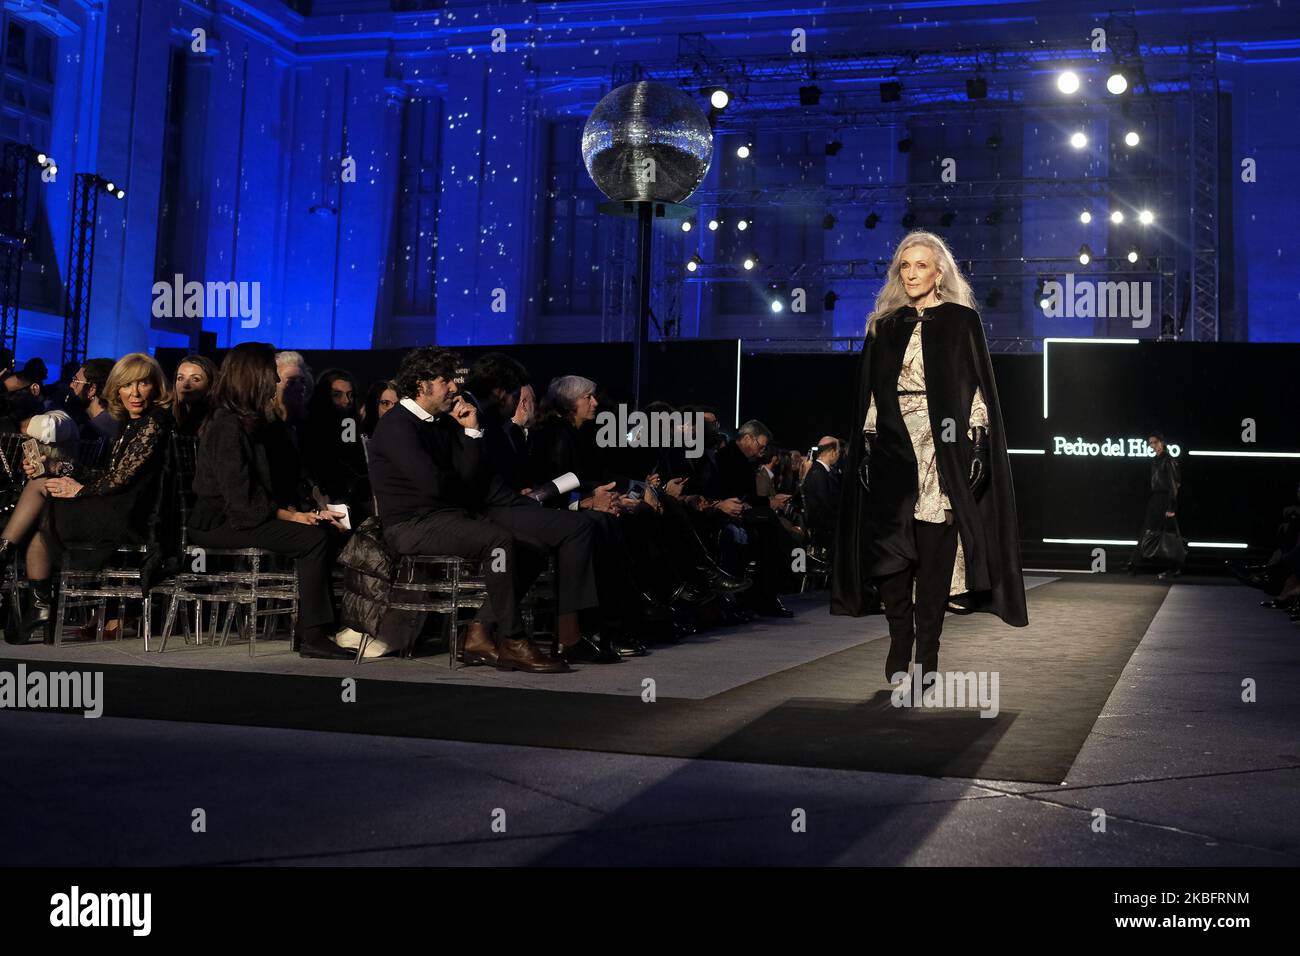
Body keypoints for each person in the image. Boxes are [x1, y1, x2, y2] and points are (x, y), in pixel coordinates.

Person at [832, 230, 1028, 684]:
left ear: (939, 272)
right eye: (905, 265)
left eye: (921, 265)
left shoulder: (961, 321)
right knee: (890, 555)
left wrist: (977, 441)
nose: (912, 273)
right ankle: (900, 636)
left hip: (943, 447)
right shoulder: (885, 324)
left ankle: (928, 651)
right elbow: (874, 393)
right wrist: (865, 443)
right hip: (893, 446)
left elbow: (976, 386)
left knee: (936, 555)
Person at [368, 346, 600, 672]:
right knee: (499, 540)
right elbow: (435, 485)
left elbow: (469, 475)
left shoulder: (444, 421)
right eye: (445, 380)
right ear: (421, 385)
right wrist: (462, 478)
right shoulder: (397, 425)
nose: (454, 387)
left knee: (532, 547)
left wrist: (471, 430)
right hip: (411, 525)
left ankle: (478, 632)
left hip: (447, 516)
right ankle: (514, 640)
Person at [188, 343, 350, 660]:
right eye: (272, 374)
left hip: (244, 514)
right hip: (219, 522)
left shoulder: (251, 423)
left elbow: (264, 491)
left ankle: (315, 630)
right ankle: (313, 635)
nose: (276, 382)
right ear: (253, 376)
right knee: (312, 540)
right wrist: (292, 518)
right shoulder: (227, 425)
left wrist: (301, 512)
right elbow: (240, 500)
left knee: (324, 533)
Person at [0, 353, 174, 643]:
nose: (134, 393)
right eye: (127, 385)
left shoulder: (154, 422)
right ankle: (37, 603)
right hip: (115, 504)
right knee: (43, 492)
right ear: (116, 388)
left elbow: (120, 480)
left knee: (43, 504)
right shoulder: (131, 424)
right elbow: (105, 473)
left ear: (155, 387)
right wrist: (57, 467)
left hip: (130, 515)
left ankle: (18, 573)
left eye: (142, 384)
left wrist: (78, 489)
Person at [1127, 431, 1185, 580]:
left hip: (1166, 500)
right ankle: (1134, 564)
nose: (1153, 445)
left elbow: (1174, 485)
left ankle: (1174, 568)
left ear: (1162, 442)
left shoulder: (1169, 460)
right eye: (1151, 443)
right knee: (1147, 531)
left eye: (1155, 442)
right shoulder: (1156, 460)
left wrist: (1171, 507)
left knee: (1171, 536)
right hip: (1156, 499)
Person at [802, 436, 843, 557]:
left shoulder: (820, 471)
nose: (839, 455)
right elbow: (825, 505)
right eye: (838, 452)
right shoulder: (819, 473)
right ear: (832, 453)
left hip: (823, 527)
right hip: (823, 531)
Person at [67, 358, 120, 443]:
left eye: (76, 381)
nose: (71, 385)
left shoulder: (92, 429)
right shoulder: (115, 420)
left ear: (92, 389)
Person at [173, 354, 218, 436]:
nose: (186, 384)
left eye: (195, 379)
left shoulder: (216, 422)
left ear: (210, 385)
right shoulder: (170, 418)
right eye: (180, 378)